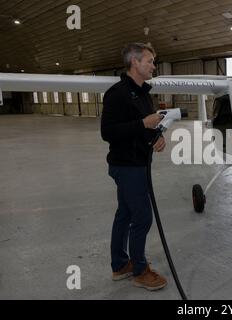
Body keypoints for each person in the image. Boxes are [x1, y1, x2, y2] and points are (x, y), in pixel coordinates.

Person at [101, 43, 167, 291]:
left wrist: (156, 138)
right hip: (126, 166)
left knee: (125, 214)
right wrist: (143, 124)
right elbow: (107, 133)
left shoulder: (142, 93)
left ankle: (119, 265)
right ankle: (140, 270)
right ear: (135, 62)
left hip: (138, 163)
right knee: (142, 217)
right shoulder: (117, 93)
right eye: (149, 61)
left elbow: (145, 127)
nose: (153, 65)